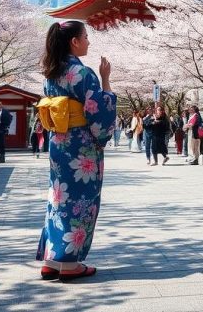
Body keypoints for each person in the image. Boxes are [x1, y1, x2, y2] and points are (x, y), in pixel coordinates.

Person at [35, 20, 116, 281]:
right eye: (86, 36)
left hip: (58, 142)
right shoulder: (83, 74)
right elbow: (99, 111)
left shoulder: (51, 73)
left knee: (59, 198)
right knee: (80, 200)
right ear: (74, 42)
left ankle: (51, 259)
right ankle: (69, 263)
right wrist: (105, 80)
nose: (88, 41)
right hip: (81, 146)